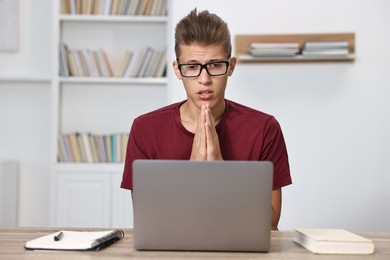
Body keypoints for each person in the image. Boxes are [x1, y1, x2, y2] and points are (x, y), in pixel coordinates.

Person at [121, 8, 292, 230]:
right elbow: (150, 222)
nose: (204, 79)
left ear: (231, 66)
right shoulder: (145, 129)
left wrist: (220, 173)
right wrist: (193, 173)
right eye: (192, 67)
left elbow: (269, 225)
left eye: (215, 65)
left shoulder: (265, 129)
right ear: (177, 69)